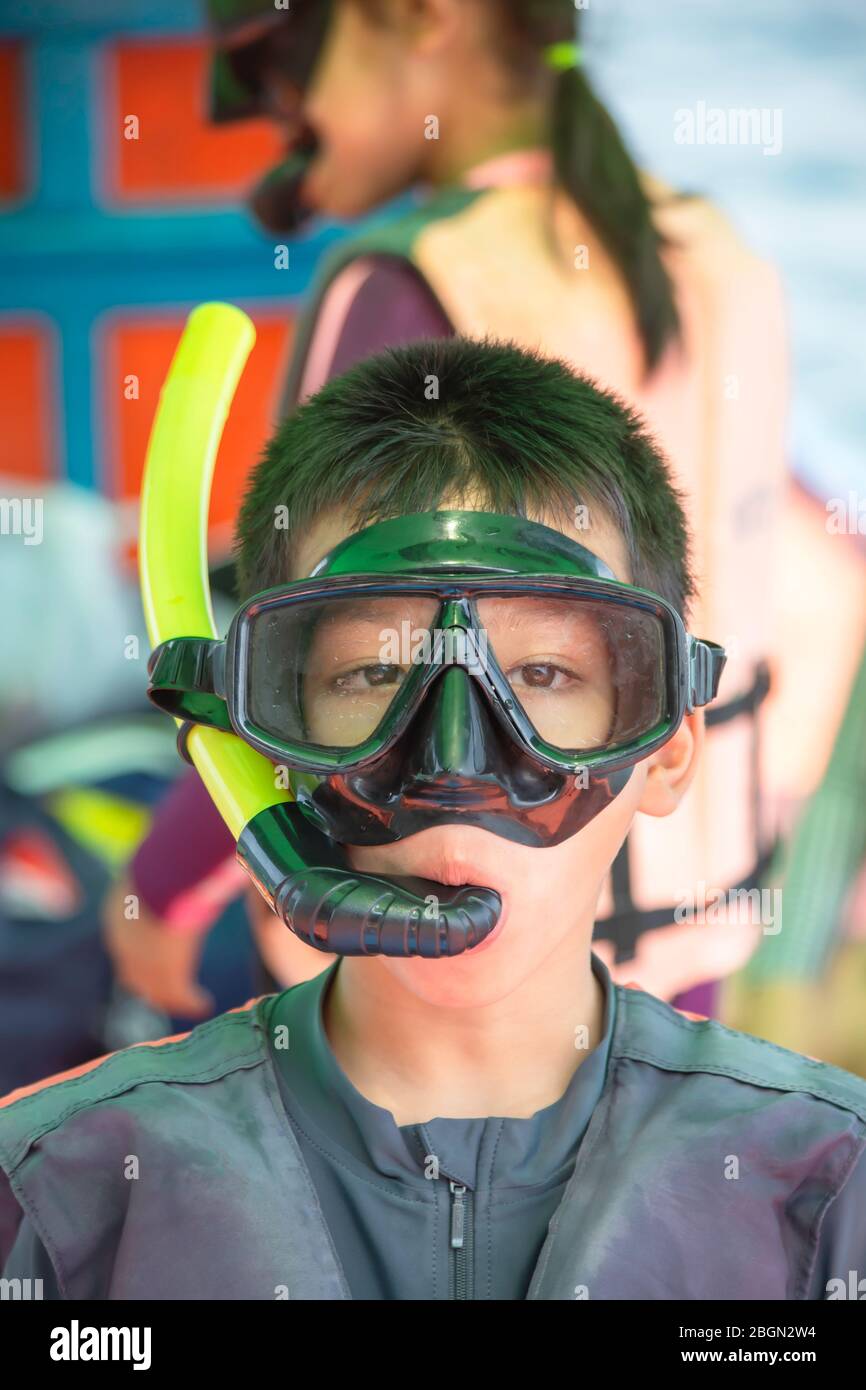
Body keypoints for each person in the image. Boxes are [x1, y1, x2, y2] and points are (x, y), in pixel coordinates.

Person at [2, 337, 864, 1301]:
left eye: (543, 676)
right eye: (374, 675)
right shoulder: (62, 1200)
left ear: (662, 747)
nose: (457, 769)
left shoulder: (828, 1196)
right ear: (266, 746)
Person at [107, 0, 793, 1019]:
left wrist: (159, 890)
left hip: (429, 961)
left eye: (286, 59)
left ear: (426, 18)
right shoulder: (715, 253)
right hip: (685, 939)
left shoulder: (412, 285)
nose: (275, 115)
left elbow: (306, 658)